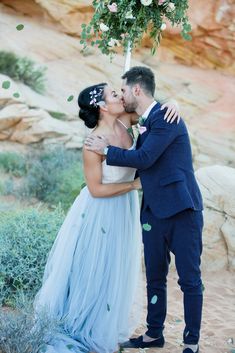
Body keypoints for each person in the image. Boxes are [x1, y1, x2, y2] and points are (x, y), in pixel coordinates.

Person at [34, 82, 179, 353]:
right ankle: (82, 323)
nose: (121, 96)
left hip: (124, 209)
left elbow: (154, 109)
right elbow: (96, 189)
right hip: (99, 212)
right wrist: (135, 186)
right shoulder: (92, 143)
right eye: (114, 94)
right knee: (95, 266)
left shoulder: (127, 121)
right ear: (102, 106)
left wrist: (175, 104)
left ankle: (104, 321)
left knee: (116, 266)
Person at [85, 66, 204, 353]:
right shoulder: (146, 120)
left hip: (181, 211)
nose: (122, 95)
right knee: (154, 277)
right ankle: (154, 334)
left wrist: (106, 151)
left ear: (136, 89)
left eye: (124, 90)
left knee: (189, 279)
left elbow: (146, 157)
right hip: (152, 213)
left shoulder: (166, 117)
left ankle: (191, 340)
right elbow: (123, 126)